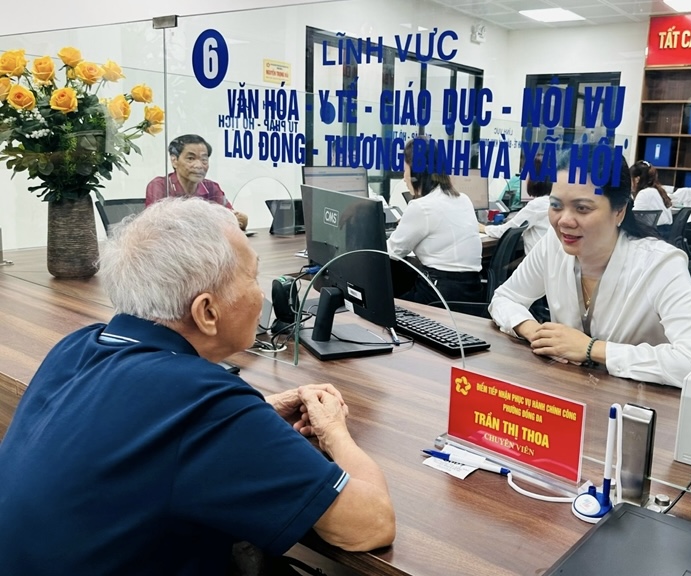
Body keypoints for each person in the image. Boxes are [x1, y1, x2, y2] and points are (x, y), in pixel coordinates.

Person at [0, 198, 395, 575]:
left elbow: (139, 433)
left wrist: (257, 416)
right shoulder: (202, 404)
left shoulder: (80, 345)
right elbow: (370, 525)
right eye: (253, 278)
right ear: (206, 311)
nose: (261, 295)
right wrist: (333, 432)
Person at [488, 151, 691, 388]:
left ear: (619, 211)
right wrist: (536, 333)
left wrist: (592, 349)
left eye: (582, 208)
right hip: (571, 394)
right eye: (556, 205)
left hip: (634, 408)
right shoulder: (553, 244)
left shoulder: (660, 265)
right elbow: (505, 298)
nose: (564, 220)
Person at [388, 138, 483, 304]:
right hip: (472, 294)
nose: (404, 178)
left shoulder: (421, 207)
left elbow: (391, 252)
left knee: (383, 309)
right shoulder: (464, 199)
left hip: (440, 295)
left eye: (405, 171)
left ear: (416, 174)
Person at [146, 133, 248, 230]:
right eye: (191, 158)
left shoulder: (211, 187)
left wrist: (238, 219)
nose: (199, 165)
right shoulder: (160, 186)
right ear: (174, 161)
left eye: (204, 159)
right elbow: (158, 226)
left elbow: (235, 220)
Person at [480, 154, 553, 255]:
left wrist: (483, 228)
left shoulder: (537, 205)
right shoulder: (552, 202)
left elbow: (505, 231)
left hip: (538, 266)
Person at [629, 159, 673, 239]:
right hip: (665, 234)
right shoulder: (656, 190)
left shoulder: (644, 193)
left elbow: (633, 219)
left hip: (656, 235)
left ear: (637, 179)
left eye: (630, 179)